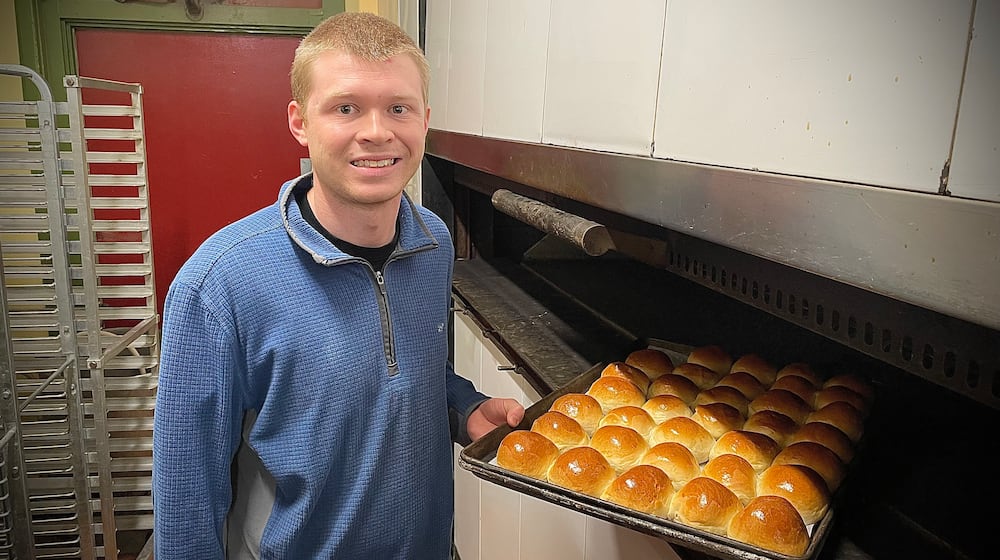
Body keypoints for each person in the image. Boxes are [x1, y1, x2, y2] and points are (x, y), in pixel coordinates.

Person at [152, 11, 524, 559]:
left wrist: (463, 407)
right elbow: (187, 487)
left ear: (425, 120)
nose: (377, 131)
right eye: (346, 108)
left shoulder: (434, 243)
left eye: (398, 107)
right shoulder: (220, 282)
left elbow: (408, 369)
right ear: (300, 122)